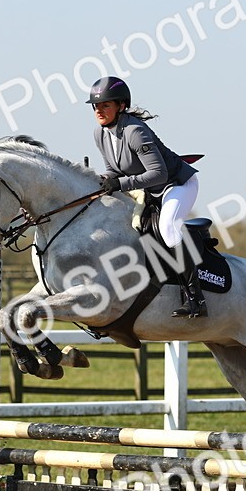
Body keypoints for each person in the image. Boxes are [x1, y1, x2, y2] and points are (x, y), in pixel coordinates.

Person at [87, 76, 206, 318]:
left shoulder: (135, 131)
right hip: (151, 190)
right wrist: (100, 181)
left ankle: (196, 298)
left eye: (105, 105)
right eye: (96, 106)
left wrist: (119, 183)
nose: (99, 110)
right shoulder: (100, 134)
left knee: (168, 227)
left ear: (121, 106)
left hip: (177, 185)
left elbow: (159, 174)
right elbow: (114, 170)